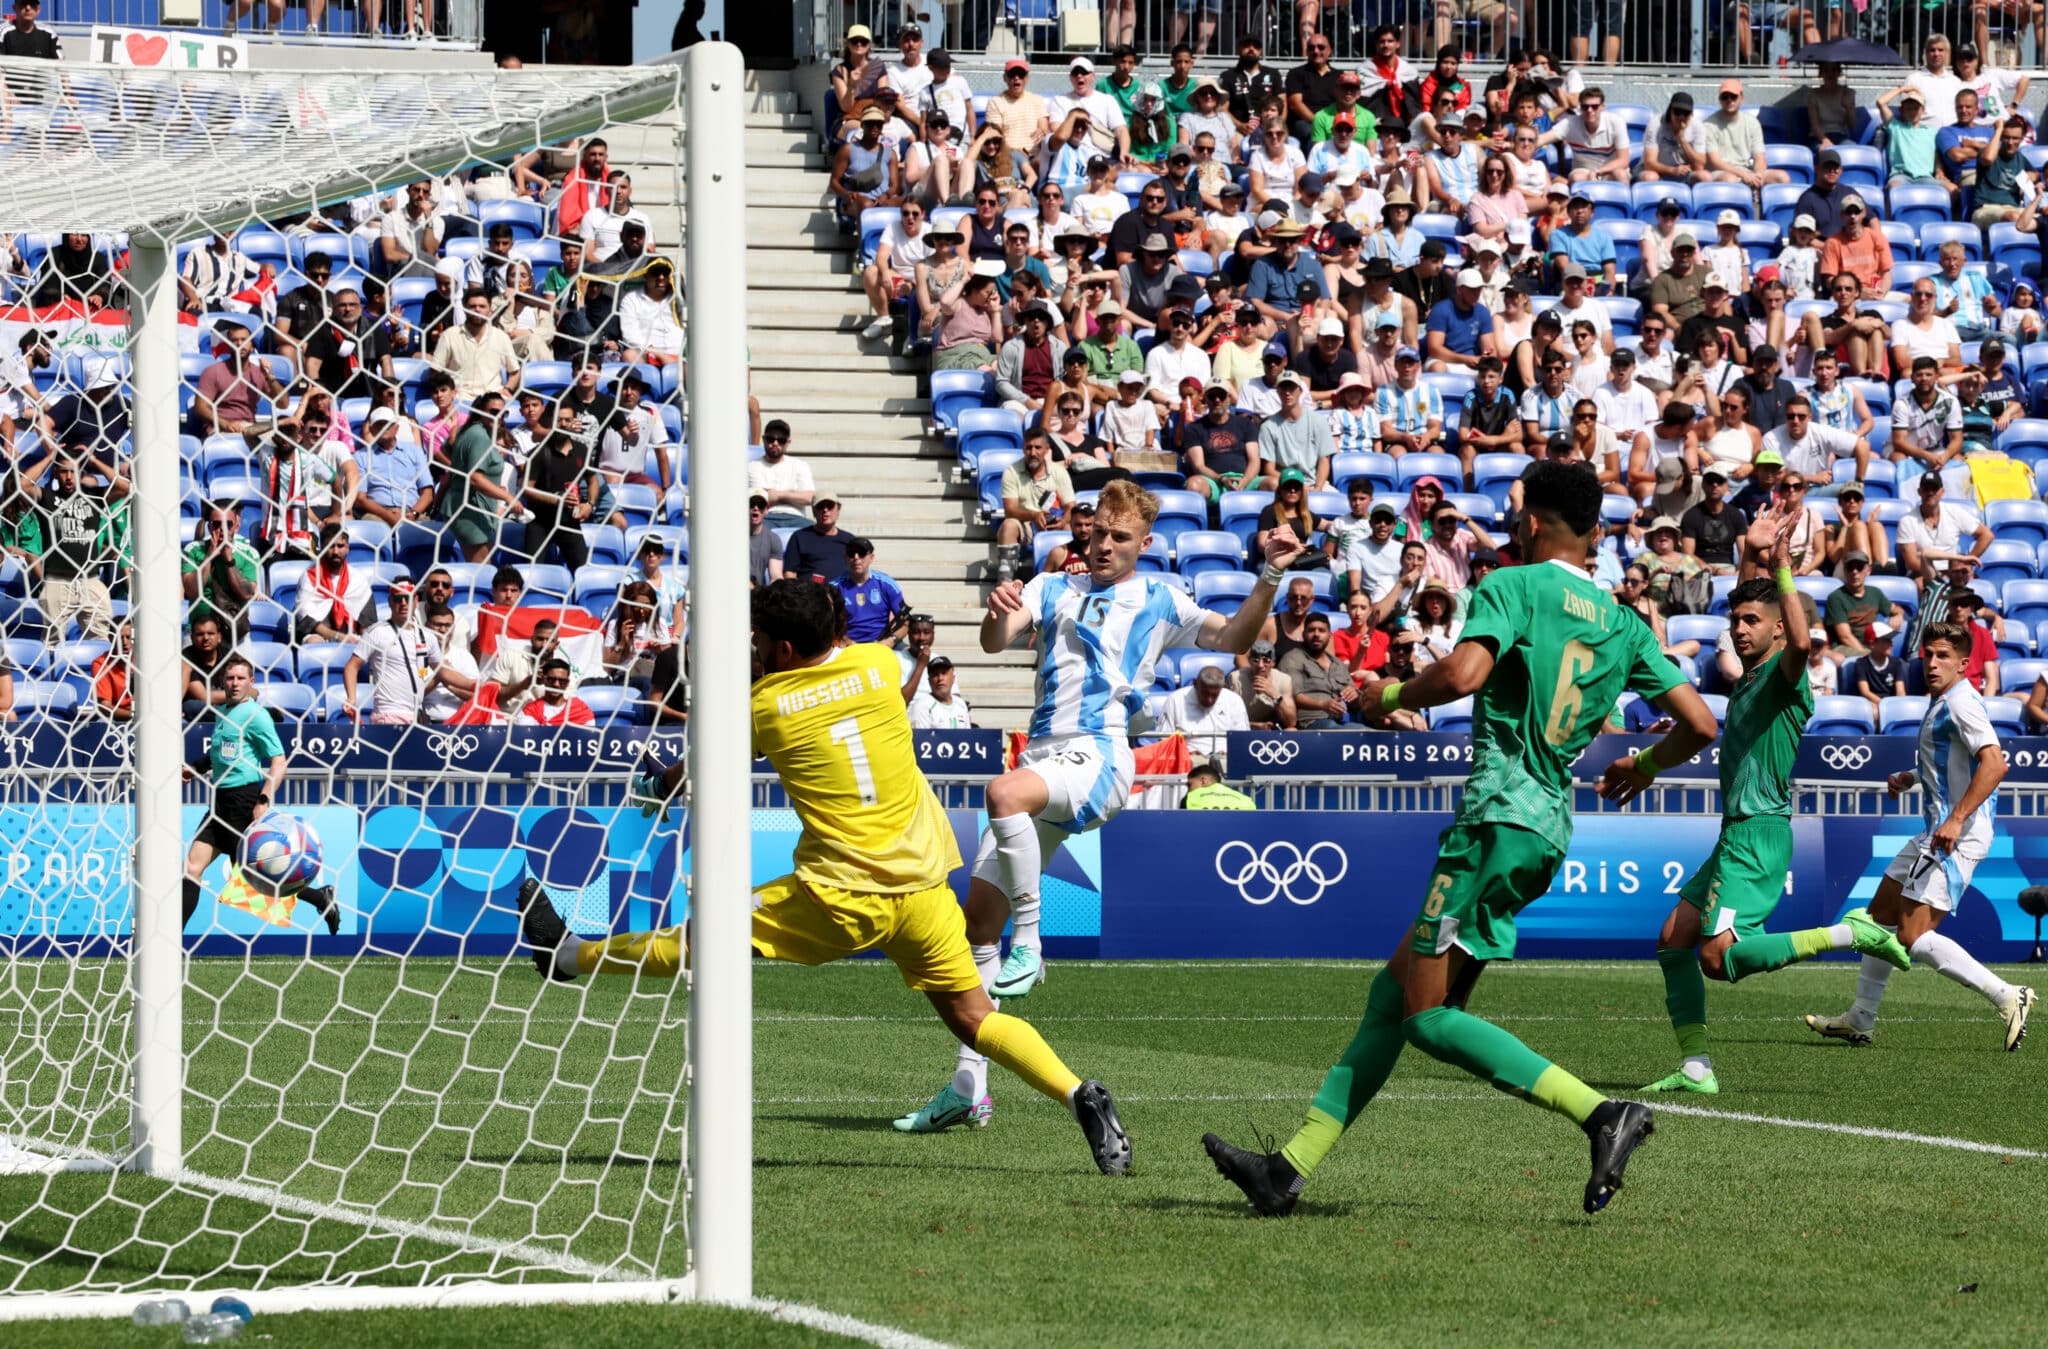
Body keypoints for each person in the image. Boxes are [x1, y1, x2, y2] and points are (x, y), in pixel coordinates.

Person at [1202, 460, 1720, 1218]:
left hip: (1494, 817)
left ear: (1532, 523)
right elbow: (1701, 724)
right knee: (1394, 996)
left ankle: (1602, 1113)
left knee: (1427, 1015)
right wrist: (1642, 764)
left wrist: (1388, 693)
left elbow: (1463, 674)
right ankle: (1287, 1170)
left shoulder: (1514, 585)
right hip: (1546, 829)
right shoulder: (1624, 624)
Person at [522, 579, 1131, 1168]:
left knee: (702, 940)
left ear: (784, 648)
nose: (755, 649)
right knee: (976, 1018)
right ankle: (1077, 1092)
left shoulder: (763, 707)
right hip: (924, 887)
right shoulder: (881, 666)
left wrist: (660, 785)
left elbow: (700, 764)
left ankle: (567, 956)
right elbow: (842, 657)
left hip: (840, 894)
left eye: (760, 641)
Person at [893, 481, 1302, 1131]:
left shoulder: (1161, 598)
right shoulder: (1052, 585)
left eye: (1120, 537)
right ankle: (970, 1086)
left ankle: (1032, 941)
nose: (1105, 544)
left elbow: (1233, 637)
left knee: (1001, 793)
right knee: (975, 930)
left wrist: (1271, 573)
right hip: (1045, 757)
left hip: (1101, 757)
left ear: (1145, 543)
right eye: (1099, 532)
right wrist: (998, 609)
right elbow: (996, 641)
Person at [1645, 529, 1912, 1095]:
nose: (1739, 629)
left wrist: (1783, 567)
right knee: (1674, 937)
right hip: (1736, 833)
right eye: (1735, 621)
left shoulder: (1785, 676)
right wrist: (1751, 553)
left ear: (1776, 629)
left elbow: (1797, 643)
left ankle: (1849, 932)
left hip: (1757, 833)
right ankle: (1696, 1068)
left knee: (1717, 958)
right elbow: (1755, 606)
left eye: (1751, 622)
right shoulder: (1750, 676)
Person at [1805, 624, 2038, 1052]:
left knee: (1912, 936)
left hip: (1956, 835)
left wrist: (1956, 820)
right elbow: (1953, 760)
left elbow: (1994, 764)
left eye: (1943, 656)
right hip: (1935, 831)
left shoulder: (1962, 703)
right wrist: (1911, 777)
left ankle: (2008, 995)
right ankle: (1860, 1018)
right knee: (1880, 916)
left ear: (1964, 665)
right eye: (1929, 654)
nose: (1932, 663)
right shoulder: (1943, 701)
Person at [180, 654, 338, 934]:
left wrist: (263, 799)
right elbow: (222, 753)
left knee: (259, 876)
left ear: (251, 682)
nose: (234, 683)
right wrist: (196, 767)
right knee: (192, 868)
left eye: (241, 678)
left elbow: (279, 760)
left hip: (242, 802)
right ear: (222, 681)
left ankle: (320, 897)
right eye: (230, 678)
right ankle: (172, 942)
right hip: (219, 804)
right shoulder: (224, 711)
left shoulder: (256, 716)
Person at [342, 579, 439, 725]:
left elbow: (443, 671)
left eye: (407, 598)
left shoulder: (427, 636)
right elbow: (352, 666)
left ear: (416, 600)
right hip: (388, 715)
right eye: (398, 598)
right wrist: (351, 698)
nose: (403, 603)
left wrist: (472, 685)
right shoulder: (376, 632)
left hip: (418, 716)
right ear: (390, 602)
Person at [1157, 664, 1249, 768]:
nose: (1209, 700)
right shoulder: (1175, 700)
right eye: (1205, 693)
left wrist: (1230, 753)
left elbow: (1242, 740)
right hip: (1187, 760)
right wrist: (1184, 753)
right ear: (1195, 683)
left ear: (1222, 688)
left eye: (1214, 695)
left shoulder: (1234, 701)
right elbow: (1164, 741)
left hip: (1226, 760)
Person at [830, 537, 909, 645]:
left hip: (882, 643)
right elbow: (825, 622)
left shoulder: (887, 584)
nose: (856, 557)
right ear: (845, 558)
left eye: (861, 553)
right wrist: (846, 640)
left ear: (871, 558)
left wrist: (891, 641)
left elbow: (906, 621)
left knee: (903, 654)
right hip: (846, 644)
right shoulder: (833, 587)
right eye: (851, 553)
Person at [908, 655, 972, 730]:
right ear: (929, 681)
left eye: (944, 673)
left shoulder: (961, 704)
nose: (940, 678)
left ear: (953, 678)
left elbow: (968, 735)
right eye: (935, 675)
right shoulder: (921, 706)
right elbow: (920, 736)